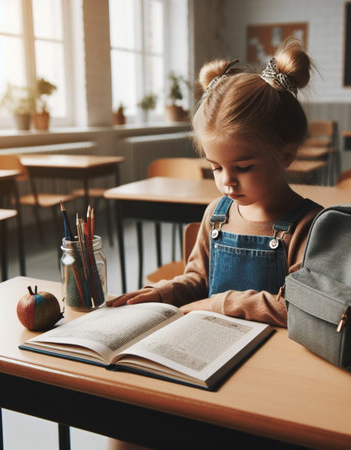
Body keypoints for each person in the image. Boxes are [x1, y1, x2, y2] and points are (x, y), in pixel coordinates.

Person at [107, 36, 322, 328]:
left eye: (243, 167)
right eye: (216, 168)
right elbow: (198, 279)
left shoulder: (309, 226)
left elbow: (298, 309)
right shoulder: (216, 215)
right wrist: (162, 293)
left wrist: (219, 303)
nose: (227, 181)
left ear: (285, 156)